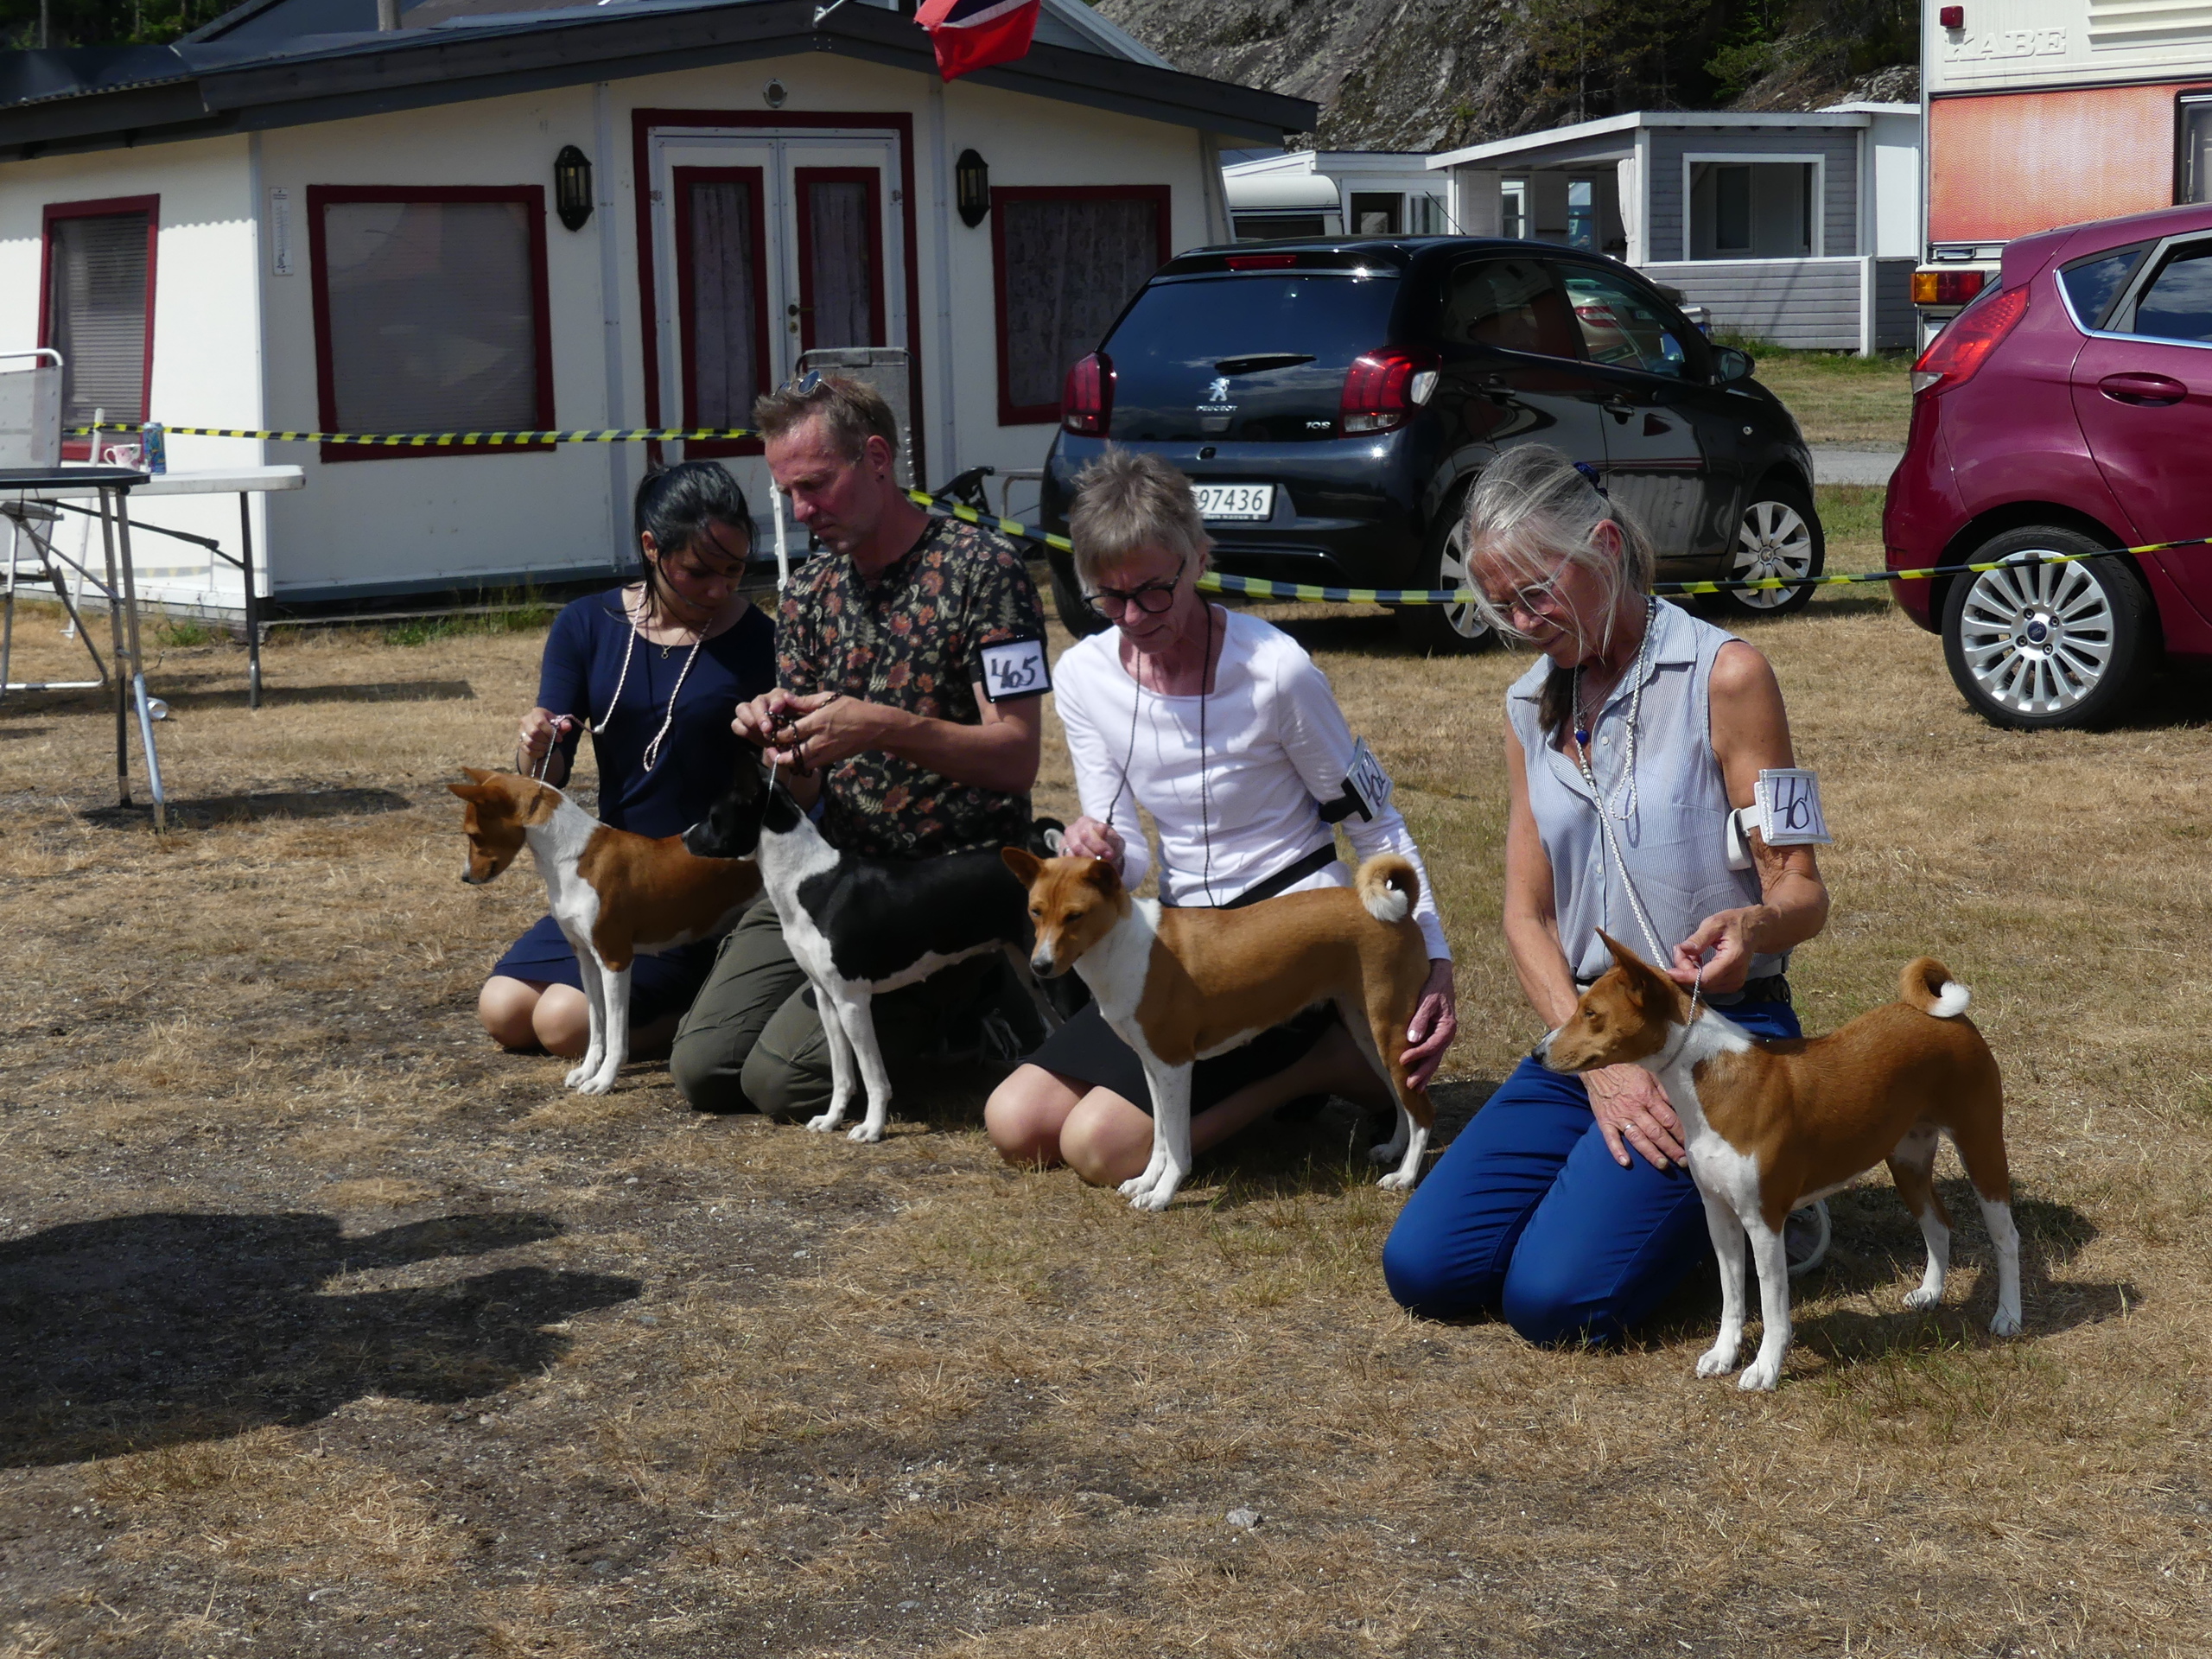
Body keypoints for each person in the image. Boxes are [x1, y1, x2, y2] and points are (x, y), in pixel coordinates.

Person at [1381, 445, 1832, 1344]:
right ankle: (1672, 1190)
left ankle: (1768, 1187)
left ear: (1604, 547)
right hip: (1589, 1027)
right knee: (1426, 1269)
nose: (1521, 623)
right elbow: (1527, 916)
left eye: (1534, 594)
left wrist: (1753, 924)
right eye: (1500, 607)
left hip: (1714, 1033)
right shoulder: (1525, 708)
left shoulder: (1728, 675)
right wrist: (1600, 1067)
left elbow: (1804, 891)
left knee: (1554, 1305)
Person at [984, 450, 1459, 1185]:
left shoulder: (1278, 671)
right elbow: (1128, 865)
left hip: (1289, 943)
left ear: (1200, 558)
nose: (1134, 618)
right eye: (1110, 598)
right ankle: (1317, 1065)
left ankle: (1318, 1061)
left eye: (1153, 591)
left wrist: (1434, 959)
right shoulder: (1083, 676)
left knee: (1098, 1148)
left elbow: (1376, 823)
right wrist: (1101, 846)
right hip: (1184, 949)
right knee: (1016, 1121)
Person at [669, 373, 1050, 1118]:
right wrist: (782, 746)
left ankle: (983, 994)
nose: (801, 512)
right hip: (832, 881)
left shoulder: (986, 573)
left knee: (778, 1083)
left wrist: (882, 727)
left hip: (940, 891)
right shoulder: (809, 593)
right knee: (703, 1069)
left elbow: (1017, 757)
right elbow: (803, 790)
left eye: (814, 485)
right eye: (788, 494)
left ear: (876, 458)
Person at [477, 462, 776, 1058]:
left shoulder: (759, 641)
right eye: (698, 571)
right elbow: (549, 775)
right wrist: (535, 746)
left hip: (696, 881)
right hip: (611, 877)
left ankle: (703, 1019)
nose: (719, 589)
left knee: (562, 1025)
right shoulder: (587, 624)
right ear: (651, 547)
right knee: (503, 1010)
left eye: (735, 570)